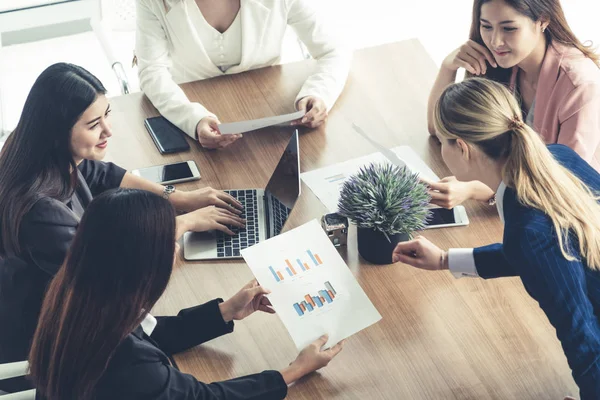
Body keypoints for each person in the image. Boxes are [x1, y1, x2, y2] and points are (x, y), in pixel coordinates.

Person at [0, 63, 245, 392]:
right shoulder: (41, 213)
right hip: (48, 348)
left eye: (107, 115)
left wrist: (180, 197)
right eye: (93, 124)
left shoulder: (38, 154)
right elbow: (113, 271)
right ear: (57, 131)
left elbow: (103, 174)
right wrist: (182, 223)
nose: (108, 130)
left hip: (71, 314)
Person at [28, 188, 343, 399]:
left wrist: (225, 311)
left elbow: (152, 332)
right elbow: (206, 397)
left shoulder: (78, 296)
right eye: (171, 241)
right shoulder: (131, 365)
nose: (176, 248)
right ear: (145, 263)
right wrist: (295, 370)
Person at [394, 78, 600, 399]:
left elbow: (583, 341)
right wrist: (446, 260)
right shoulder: (557, 158)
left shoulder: (528, 230)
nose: (441, 148)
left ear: (461, 147)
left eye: (443, 141)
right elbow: (542, 254)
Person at [425, 0, 600, 209]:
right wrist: (448, 67)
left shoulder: (580, 84)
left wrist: (474, 188)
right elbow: (440, 129)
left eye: (509, 28)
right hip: (522, 202)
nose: (495, 41)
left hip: (571, 212)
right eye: (486, 26)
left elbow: (560, 180)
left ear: (542, 20)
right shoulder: (498, 65)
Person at [135, 0, 351, 148]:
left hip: (271, 124)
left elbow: (334, 50)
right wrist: (193, 119)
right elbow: (152, 72)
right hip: (191, 122)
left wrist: (318, 93)